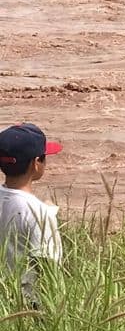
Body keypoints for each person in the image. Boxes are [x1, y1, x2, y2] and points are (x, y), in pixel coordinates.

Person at [0, 123, 63, 307]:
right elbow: (49, 270)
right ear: (36, 164)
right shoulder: (40, 214)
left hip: (4, 298)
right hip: (27, 305)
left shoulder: (38, 210)